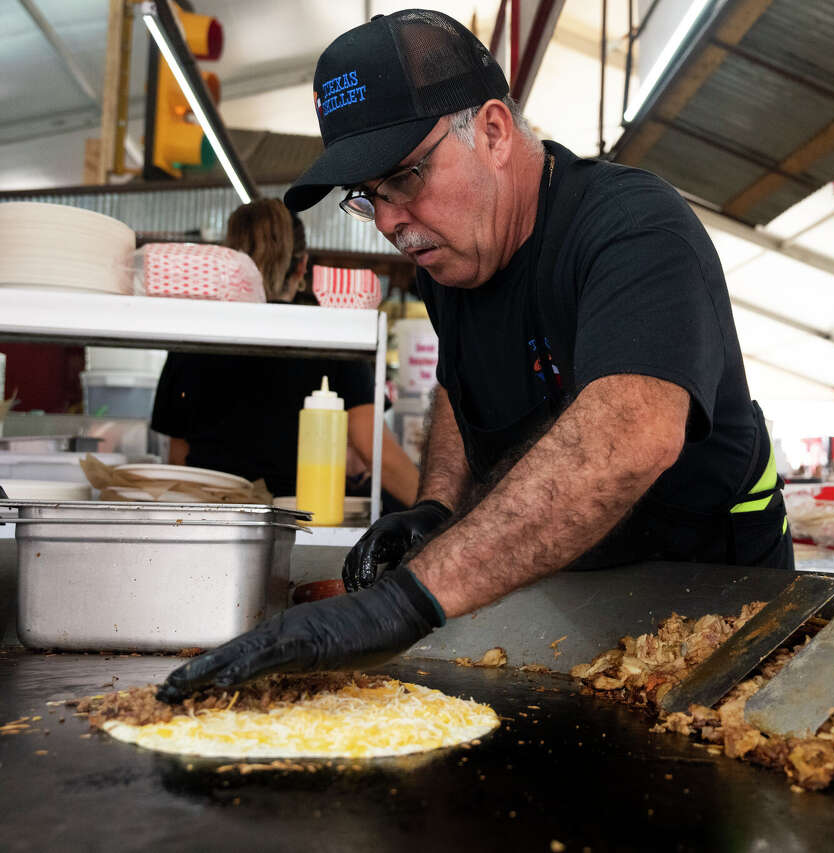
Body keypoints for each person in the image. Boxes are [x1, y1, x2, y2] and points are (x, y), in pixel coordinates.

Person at [157, 10, 791, 701]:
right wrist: (435, 507)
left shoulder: (632, 227)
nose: (391, 219)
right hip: (573, 597)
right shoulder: (450, 261)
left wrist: (403, 601)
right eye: (367, 199)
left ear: (492, 130)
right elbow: (462, 388)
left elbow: (628, 435)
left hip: (717, 599)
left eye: (403, 177)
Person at [151, 199, 420, 509]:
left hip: (212, 519)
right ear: (302, 266)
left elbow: (178, 456)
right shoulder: (331, 335)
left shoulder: (194, 337)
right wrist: (439, 510)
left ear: (231, 260)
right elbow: (373, 448)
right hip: (303, 521)